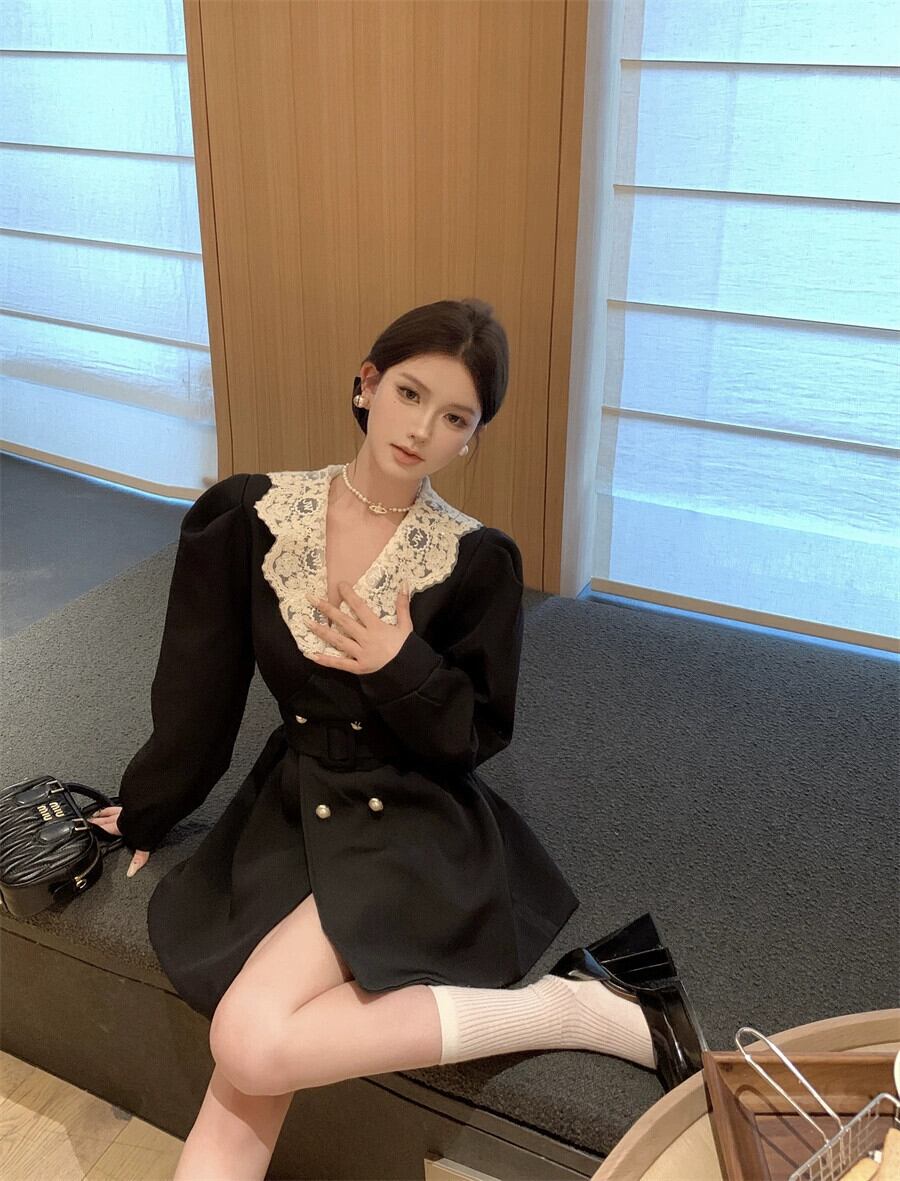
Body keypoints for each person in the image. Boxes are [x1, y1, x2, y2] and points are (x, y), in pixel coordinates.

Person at [88, 297, 706, 1181]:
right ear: (367, 384)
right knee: (249, 1060)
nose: (422, 429)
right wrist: (150, 807)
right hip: (294, 807)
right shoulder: (252, 514)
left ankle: (573, 1010)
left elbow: (474, 736)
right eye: (411, 394)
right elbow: (199, 686)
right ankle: (579, 1002)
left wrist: (399, 663)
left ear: (472, 438)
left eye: (455, 417)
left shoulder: (476, 560)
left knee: (249, 1043)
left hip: (413, 816)